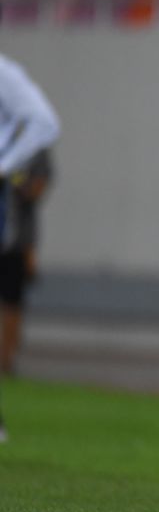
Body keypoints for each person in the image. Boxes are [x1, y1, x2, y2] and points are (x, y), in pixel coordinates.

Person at [0, 52, 62, 442]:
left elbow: (45, 124)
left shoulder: (4, 75)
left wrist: (6, 169)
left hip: (13, 232)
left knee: (11, 302)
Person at [1, 148, 54, 376]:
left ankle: (6, 361)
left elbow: (37, 189)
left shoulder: (33, 148)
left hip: (15, 242)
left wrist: (13, 177)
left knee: (12, 302)